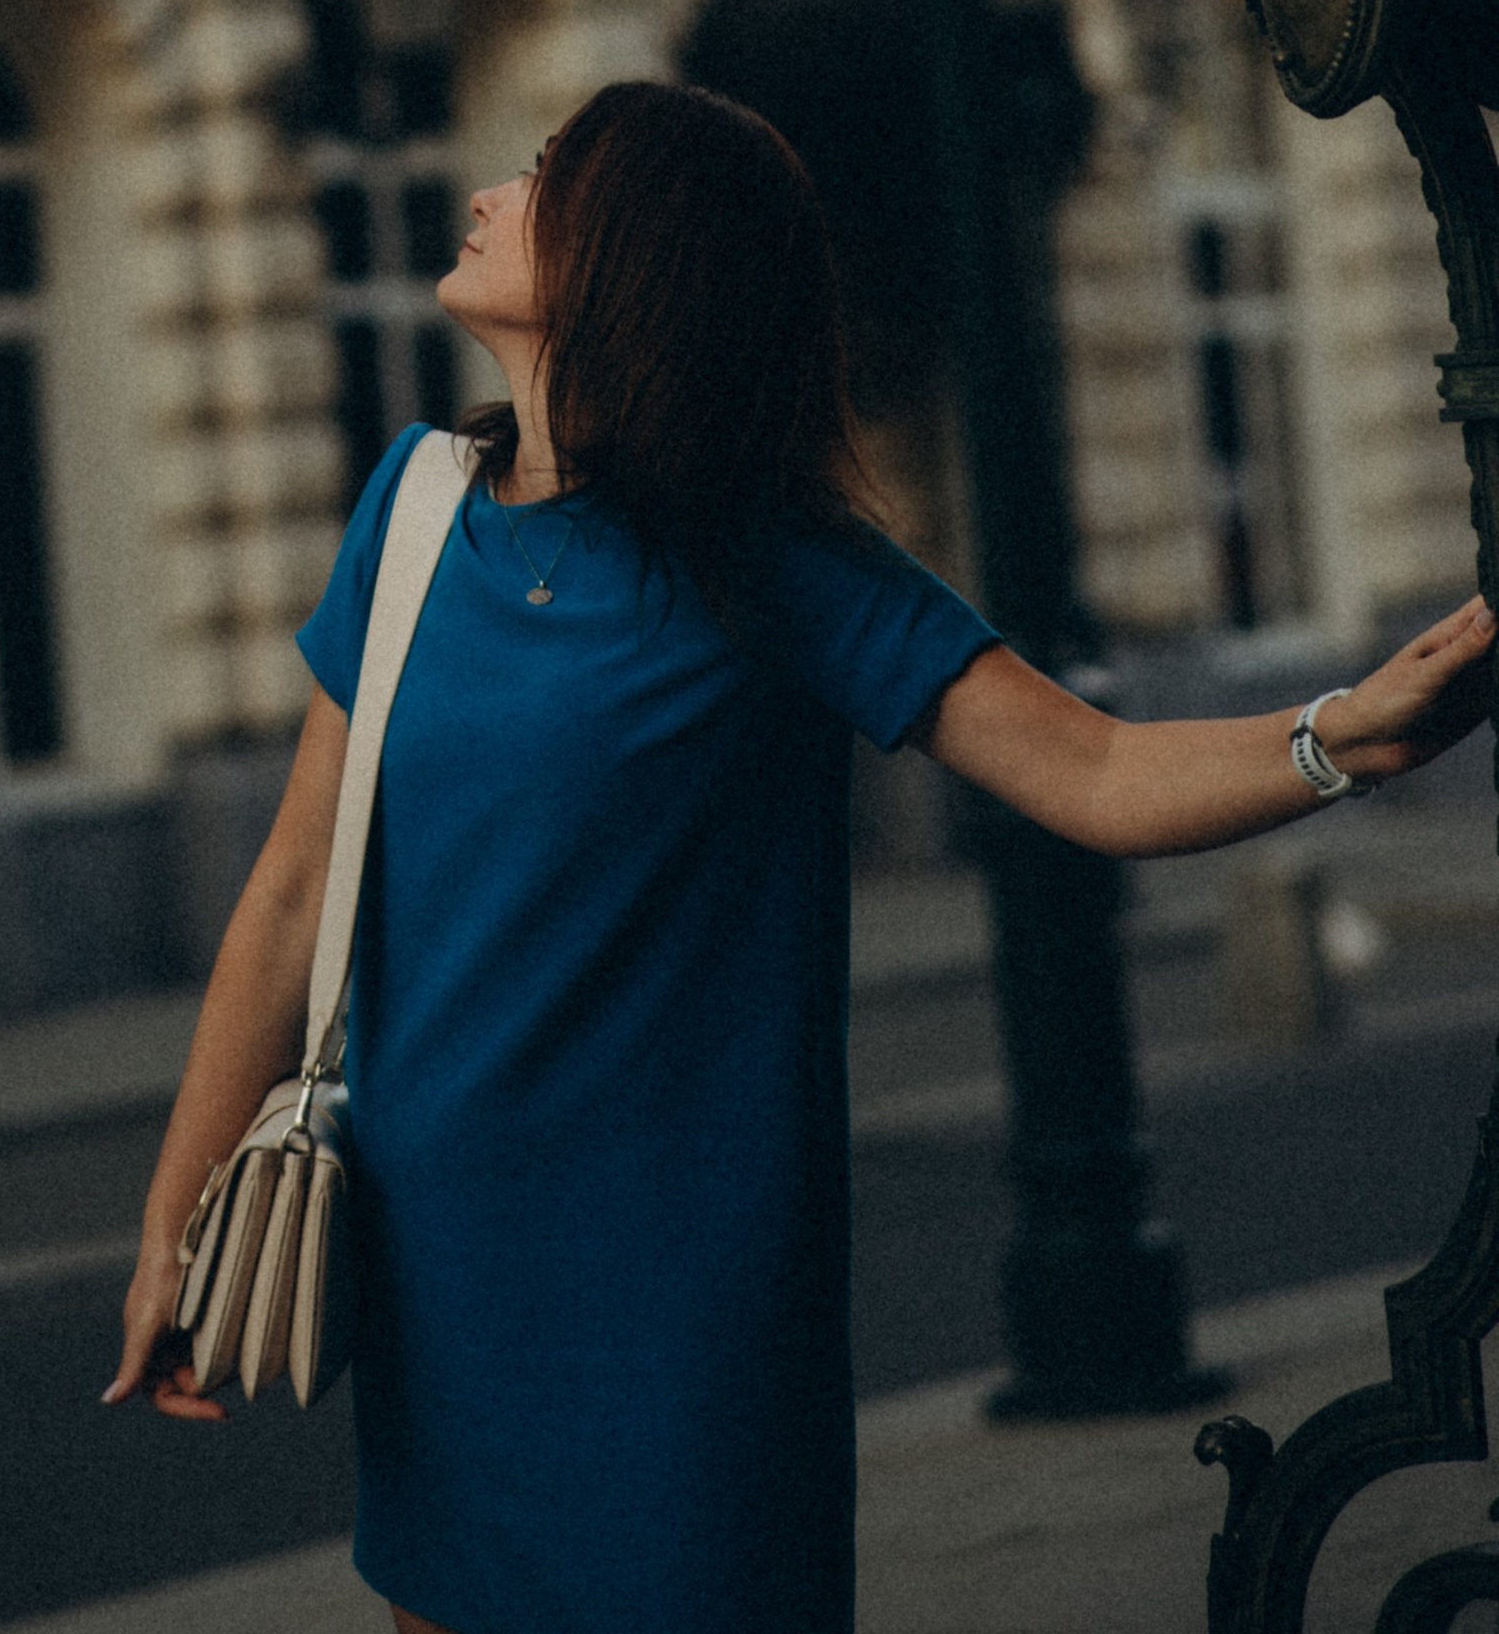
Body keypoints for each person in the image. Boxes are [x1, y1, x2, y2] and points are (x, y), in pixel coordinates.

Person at [105, 79, 1493, 1634]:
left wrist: (1345, 739)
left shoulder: (774, 558)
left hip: (682, 1304)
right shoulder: (414, 518)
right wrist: (174, 1224)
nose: (491, 193)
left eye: (545, 177)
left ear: (637, 258)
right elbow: (291, 893)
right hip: (443, 1286)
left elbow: (1091, 769)